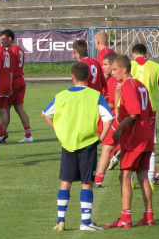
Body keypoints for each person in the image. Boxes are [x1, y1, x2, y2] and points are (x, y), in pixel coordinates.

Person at [42, 62, 113, 232]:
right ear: (88, 76)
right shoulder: (95, 95)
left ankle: (60, 221)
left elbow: (45, 114)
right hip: (88, 144)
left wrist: (59, 131)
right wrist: (101, 137)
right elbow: (108, 117)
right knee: (87, 182)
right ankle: (86, 221)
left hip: (68, 144)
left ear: (72, 76)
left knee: (65, 181)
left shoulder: (61, 95)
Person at [106, 55, 155, 228]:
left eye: (114, 70)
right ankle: (149, 216)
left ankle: (125, 217)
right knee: (142, 177)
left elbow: (133, 113)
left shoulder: (128, 85)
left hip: (134, 138)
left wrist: (119, 129)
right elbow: (150, 113)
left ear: (124, 70)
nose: (112, 73)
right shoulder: (141, 86)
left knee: (124, 176)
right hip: (146, 136)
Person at [130, 44, 159, 188]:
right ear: (146, 54)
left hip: (130, 110)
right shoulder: (156, 67)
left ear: (133, 54)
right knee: (150, 145)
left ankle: (130, 179)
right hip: (149, 111)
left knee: (131, 144)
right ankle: (151, 180)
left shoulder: (128, 65)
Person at [93, 53, 121, 187]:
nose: (103, 67)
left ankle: (98, 180)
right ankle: (154, 173)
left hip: (115, 117)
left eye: (105, 65)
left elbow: (114, 103)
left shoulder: (112, 82)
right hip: (120, 117)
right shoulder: (119, 80)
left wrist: (99, 104)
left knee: (106, 148)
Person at [0, 29, 32, 143]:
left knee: (5, 108)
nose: (1, 42)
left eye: (3, 39)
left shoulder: (11, 51)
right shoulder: (19, 49)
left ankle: (2, 135)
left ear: (10, 38)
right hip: (21, 79)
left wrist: (9, 85)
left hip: (13, 81)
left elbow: (11, 70)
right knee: (19, 108)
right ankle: (29, 135)